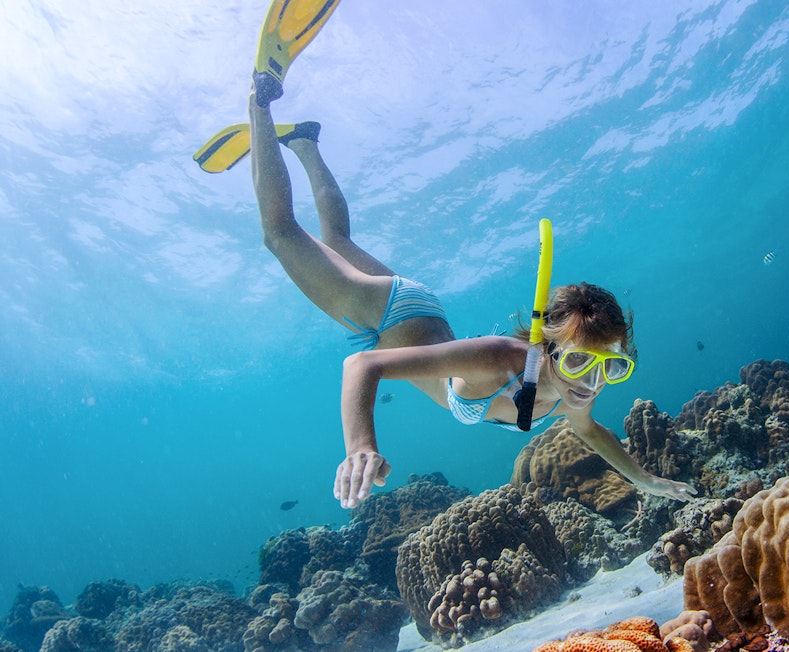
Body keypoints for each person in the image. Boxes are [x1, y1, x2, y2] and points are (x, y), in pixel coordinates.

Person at [246, 43, 698, 514]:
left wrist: (646, 481)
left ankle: (304, 141)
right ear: (548, 347)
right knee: (279, 235)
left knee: (336, 240)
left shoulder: (575, 388)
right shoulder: (500, 360)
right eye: (583, 362)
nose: (593, 382)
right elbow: (363, 366)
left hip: (417, 319)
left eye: (613, 367)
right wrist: (360, 445)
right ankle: (260, 96)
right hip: (389, 313)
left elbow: (589, 430)